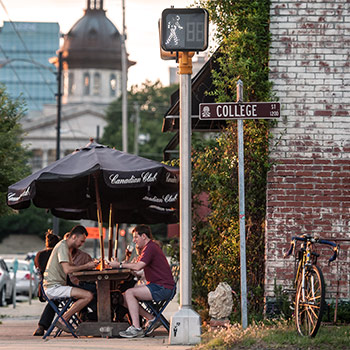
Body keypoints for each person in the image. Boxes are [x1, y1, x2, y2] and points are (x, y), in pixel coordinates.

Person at [109, 224, 175, 338]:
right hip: (158, 286)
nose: (134, 240)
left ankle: (136, 328)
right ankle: (151, 318)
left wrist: (119, 265)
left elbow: (138, 266)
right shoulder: (148, 247)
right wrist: (124, 264)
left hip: (162, 288)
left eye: (135, 237)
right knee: (124, 297)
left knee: (130, 292)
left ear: (143, 236)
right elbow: (137, 269)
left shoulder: (150, 247)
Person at [43, 225, 98, 333]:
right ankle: (63, 319)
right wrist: (87, 266)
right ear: (73, 237)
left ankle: (64, 318)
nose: (82, 245)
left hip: (57, 285)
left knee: (89, 292)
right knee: (88, 295)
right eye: (81, 241)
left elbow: (73, 269)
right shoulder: (63, 247)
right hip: (53, 287)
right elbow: (68, 270)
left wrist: (89, 267)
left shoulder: (66, 247)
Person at [33, 230, 61, 336]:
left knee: (54, 301)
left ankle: (42, 326)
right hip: (54, 285)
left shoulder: (39, 255)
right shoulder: (56, 255)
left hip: (42, 288)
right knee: (56, 299)